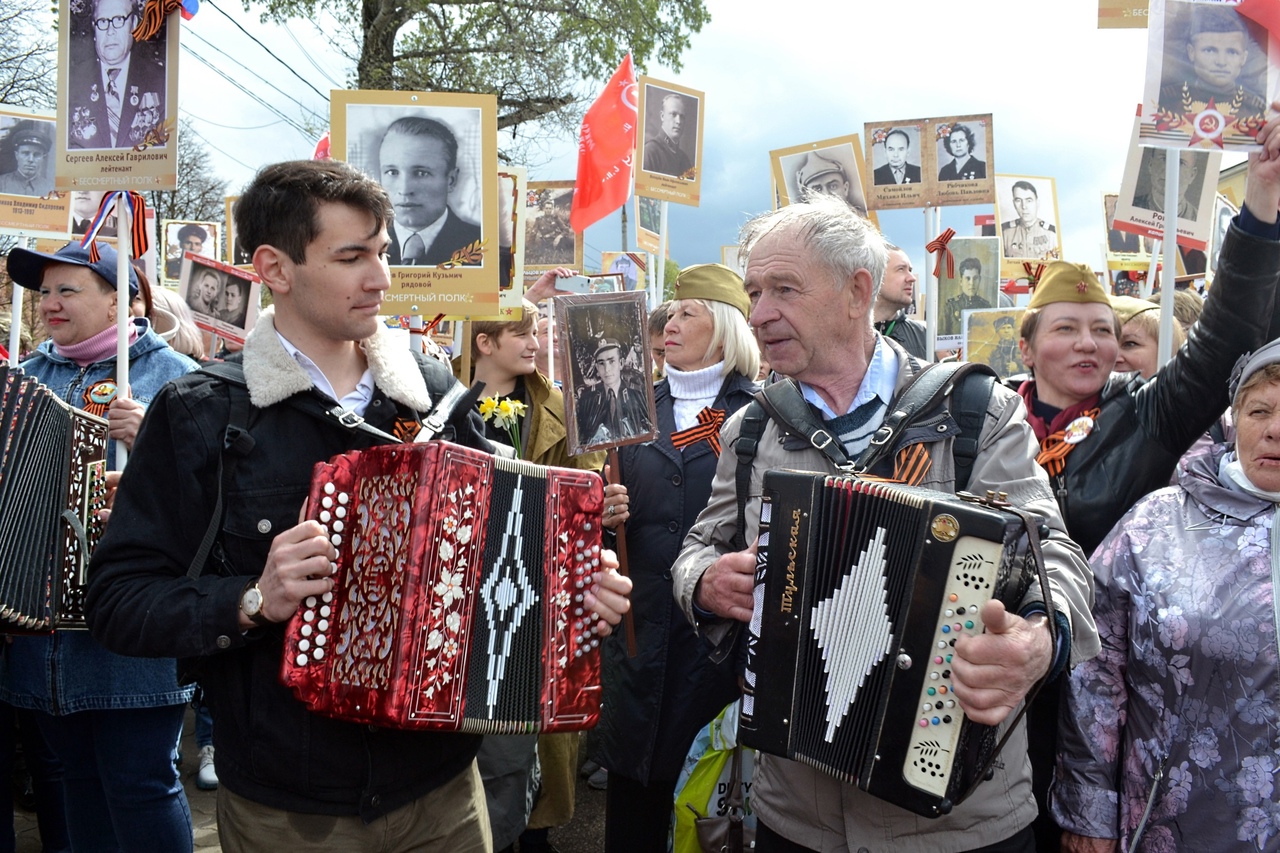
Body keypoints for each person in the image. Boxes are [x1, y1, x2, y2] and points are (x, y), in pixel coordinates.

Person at [83, 159, 633, 851]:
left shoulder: (433, 391)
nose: (381, 277)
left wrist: (581, 581)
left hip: (442, 789)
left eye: (381, 252)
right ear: (274, 268)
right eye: (352, 257)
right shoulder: (201, 411)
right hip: (292, 808)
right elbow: (116, 601)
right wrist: (252, 597)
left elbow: (508, 544)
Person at [670, 195, 1099, 852]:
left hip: (959, 820)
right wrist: (704, 581)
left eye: (783, 289)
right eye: (754, 292)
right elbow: (698, 547)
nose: (758, 314)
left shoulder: (974, 410)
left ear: (856, 292)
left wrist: (1042, 639)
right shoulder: (750, 430)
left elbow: (1057, 554)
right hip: (798, 817)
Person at [1011, 126, 1280, 847]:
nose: (1089, 344)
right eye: (1066, 328)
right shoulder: (983, 424)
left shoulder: (1143, 414)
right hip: (998, 689)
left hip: (1099, 695)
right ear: (1027, 344)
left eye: (1103, 329)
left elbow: (1225, 337)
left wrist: (1258, 213)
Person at [0, 241, 199, 851]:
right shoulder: (26, 376)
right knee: (72, 779)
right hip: (40, 629)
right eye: (43, 292)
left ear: (120, 301)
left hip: (135, 626)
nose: (49, 304)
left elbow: (216, 503)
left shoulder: (175, 376)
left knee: (140, 782)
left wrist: (153, 445)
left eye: (68, 290)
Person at [1052, 340, 1280, 852]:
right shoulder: (1158, 524)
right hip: (1174, 826)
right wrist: (1089, 814)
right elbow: (1094, 672)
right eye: (1259, 410)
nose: (1274, 429)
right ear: (1233, 420)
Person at [595, 264, 760, 853]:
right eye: (671, 312)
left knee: (707, 809)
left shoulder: (760, 412)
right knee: (632, 811)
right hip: (638, 640)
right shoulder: (630, 404)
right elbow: (603, 522)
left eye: (689, 312)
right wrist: (603, 509)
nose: (671, 322)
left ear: (725, 328)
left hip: (714, 647)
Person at [463, 300, 605, 853]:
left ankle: (534, 834)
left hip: (540, 594)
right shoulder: (436, 400)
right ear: (484, 342)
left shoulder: (561, 408)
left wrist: (598, 500)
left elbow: (586, 484)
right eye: (522, 331)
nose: (535, 341)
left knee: (531, 734)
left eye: (537, 330)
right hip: (464, 594)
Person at [378, 116, 482, 266]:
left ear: (451, 180)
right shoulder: (361, 243)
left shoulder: (483, 247)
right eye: (392, 172)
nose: (405, 190)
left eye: (421, 173)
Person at [67, 0, 166, 150]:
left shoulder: (160, 80)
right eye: (102, 21)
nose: (110, 31)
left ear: (133, 24)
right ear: (94, 28)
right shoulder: (71, 82)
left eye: (119, 20)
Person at [1159, 4, 1266, 122]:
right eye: (1210, 50)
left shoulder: (1257, 108)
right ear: (1191, 53)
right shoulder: (1165, 101)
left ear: (1243, 58)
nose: (1221, 62)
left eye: (1232, 52)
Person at [574, 339, 653, 447]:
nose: (607, 369)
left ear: (621, 363)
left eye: (611, 361)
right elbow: (582, 440)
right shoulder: (587, 399)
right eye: (601, 363)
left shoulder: (638, 395)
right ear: (596, 367)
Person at [871, 245, 926, 358]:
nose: (912, 278)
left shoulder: (925, 336)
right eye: (901, 269)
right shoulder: (846, 334)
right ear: (875, 275)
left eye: (910, 270)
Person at [1132, 149, 1202, 221]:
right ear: (1150, 164)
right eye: (1164, 159)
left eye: (1180, 163)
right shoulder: (1129, 208)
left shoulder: (1199, 220)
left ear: (1192, 175)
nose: (1170, 170)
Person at [793, 151, 868, 217]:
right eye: (817, 189)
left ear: (845, 189)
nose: (826, 194)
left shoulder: (865, 220)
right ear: (807, 197)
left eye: (833, 186)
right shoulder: (805, 231)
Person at [1001, 180, 1057, 258]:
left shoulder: (1052, 234)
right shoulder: (1004, 233)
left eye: (1029, 201)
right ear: (1014, 204)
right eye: (1018, 200)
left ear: (1037, 203)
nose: (1024, 206)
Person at [643, 92, 693, 178]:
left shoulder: (685, 161)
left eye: (682, 116)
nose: (678, 121)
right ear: (662, 116)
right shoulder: (650, 152)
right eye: (673, 114)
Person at [0, 121, 53, 197]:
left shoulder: (51, 189)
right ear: (16, 155)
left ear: (43, 158)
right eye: (25, 153)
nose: (31, 159)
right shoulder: (2, 183)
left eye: (36, 155)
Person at [944, 255, 992, 337]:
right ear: (961, 281)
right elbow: (943, 337)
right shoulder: (951, 307)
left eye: (975, 278)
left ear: (979, 280)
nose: (971, 283)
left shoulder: (986, 307)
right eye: (967, 278)